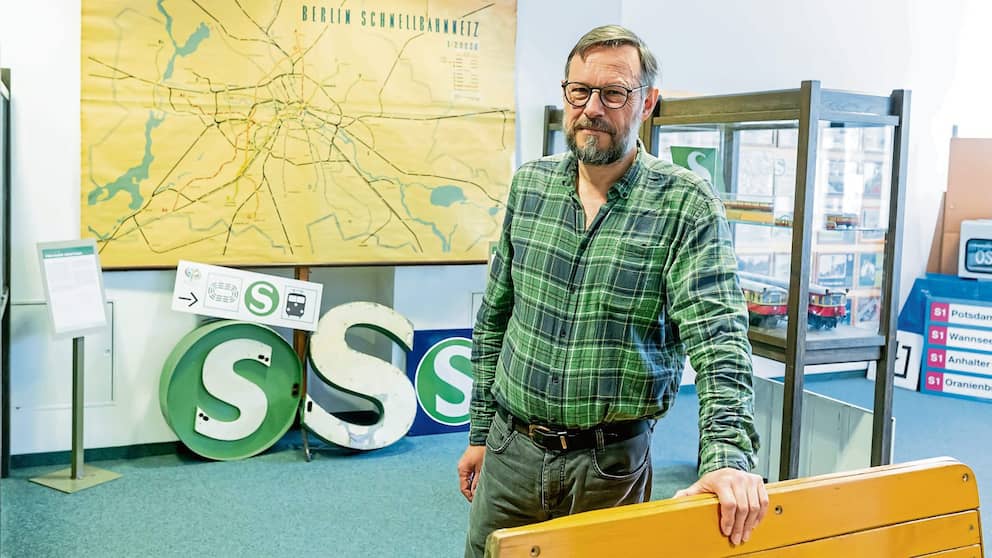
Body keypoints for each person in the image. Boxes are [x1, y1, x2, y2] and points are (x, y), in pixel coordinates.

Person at [457, 25, 768, 557]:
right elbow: (494, 318)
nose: (591, 108)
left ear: (647, 103)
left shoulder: (684, 205)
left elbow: (721, 345)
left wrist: (727, 459)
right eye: (579, 91)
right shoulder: (529, 187)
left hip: (610, 468)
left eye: (614, 93)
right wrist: (481, 432)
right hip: (510, 451)